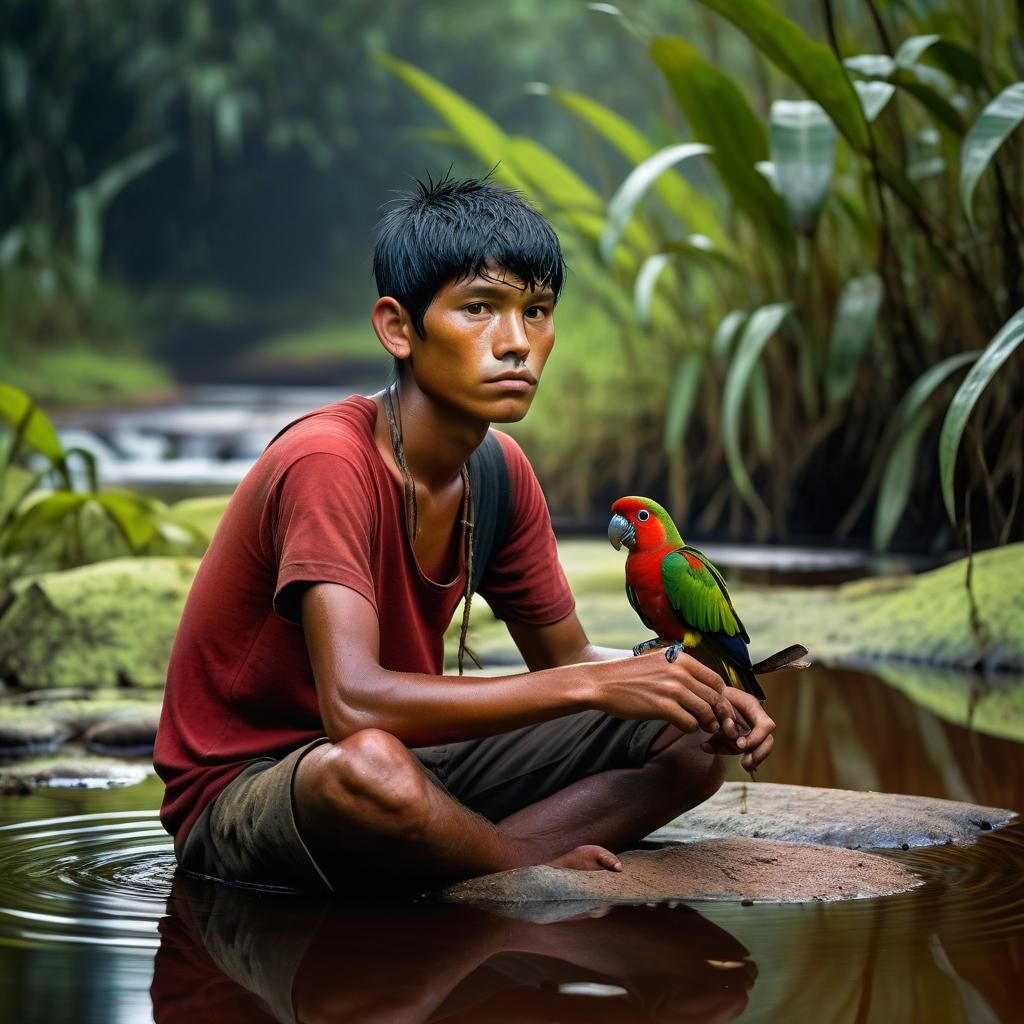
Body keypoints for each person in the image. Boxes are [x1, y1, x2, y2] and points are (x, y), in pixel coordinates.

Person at [153, 174, 775, 895]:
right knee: (371, 770)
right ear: (397, 328)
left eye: (536, 311)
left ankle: (473, 856)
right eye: (479, 309)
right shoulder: (329, 461)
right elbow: (352, 708)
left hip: (413, 756)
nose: (516, 344)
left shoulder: (499, 472)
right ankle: (509, 867)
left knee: (690, 735)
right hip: (260, 786)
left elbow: (566, 656)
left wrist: (703, 687)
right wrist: (594, 685)